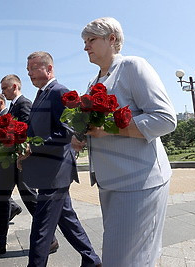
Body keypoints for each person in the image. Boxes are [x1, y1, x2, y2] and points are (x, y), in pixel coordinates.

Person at [74, 17, 177, 267]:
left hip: (139, 181)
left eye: (91, 40)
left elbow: (165, 119)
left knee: (122, 260)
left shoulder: (133, 66)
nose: (85, 46)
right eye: (84, 41)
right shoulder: (95, 81)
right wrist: (81, 136)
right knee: (132, 256)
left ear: (112, 39)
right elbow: (97, 127)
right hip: (111, 182)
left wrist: (109, 130)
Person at [18, 52, 101, 267]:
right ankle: (92, 260)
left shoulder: (59, 92)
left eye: (33, 68)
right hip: (49, 170)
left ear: (49, 69)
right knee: (68, 220)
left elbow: (67, 131)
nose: (29, 74)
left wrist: (32, 146)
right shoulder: (40, 94)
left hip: (55, 172)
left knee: (41, 229)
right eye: (28, 70)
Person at [0, 92, 58, 259]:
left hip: (18, 162)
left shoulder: (23, 103)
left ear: (14, 86)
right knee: (2, 201)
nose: (3, 92)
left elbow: (26, 132)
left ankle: (49, 239)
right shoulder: (13, 106)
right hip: (8, 163)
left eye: (4, 88)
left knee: (31, 201)